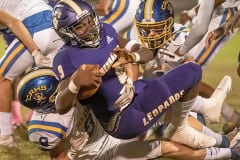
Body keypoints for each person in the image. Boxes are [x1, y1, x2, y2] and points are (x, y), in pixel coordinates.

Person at [51, 0, 232, 149]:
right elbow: (61, 105)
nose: (90, 28)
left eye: (90, 20)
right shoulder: (66, 58)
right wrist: (74, 83)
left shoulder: (105, 30)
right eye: (80, 26)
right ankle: (198, 128)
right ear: (67, 32)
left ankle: (218, 137)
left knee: (189, 72)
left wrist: (133, 56)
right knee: (186, 81)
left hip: (136, 91)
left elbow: (145, 52)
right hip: (123, 117)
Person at [17, 67, 240, 160]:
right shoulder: (45, 127)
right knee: (165, 147)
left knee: (167, 113)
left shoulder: (71, 93)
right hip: (100, 153)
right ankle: (231, 153)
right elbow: (58, 156)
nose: (63, 84)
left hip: (109, 127)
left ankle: (225, 141)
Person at [0, 0, 64, 147]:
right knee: (60, 84)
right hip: (56, 25)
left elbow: (14, 23)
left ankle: (5, 136)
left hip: (36, 27)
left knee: (2, 77)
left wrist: (35, 52)